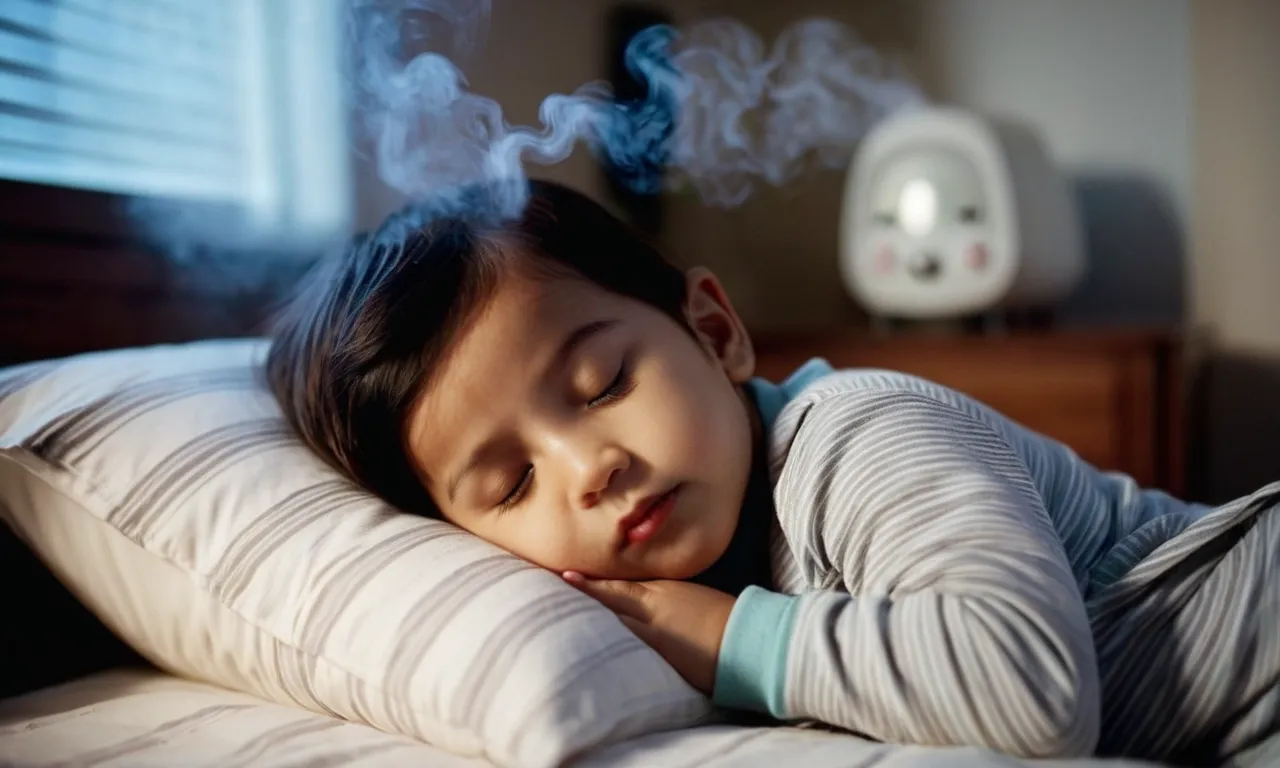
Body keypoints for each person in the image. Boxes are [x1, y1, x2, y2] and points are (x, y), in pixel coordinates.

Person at [265, 178, 1279, 764]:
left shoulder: (854, 432)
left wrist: (724, 638)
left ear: (713, 332)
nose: (592, 467)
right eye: (510, 485)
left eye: (603, 381)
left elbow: (1032, 690)